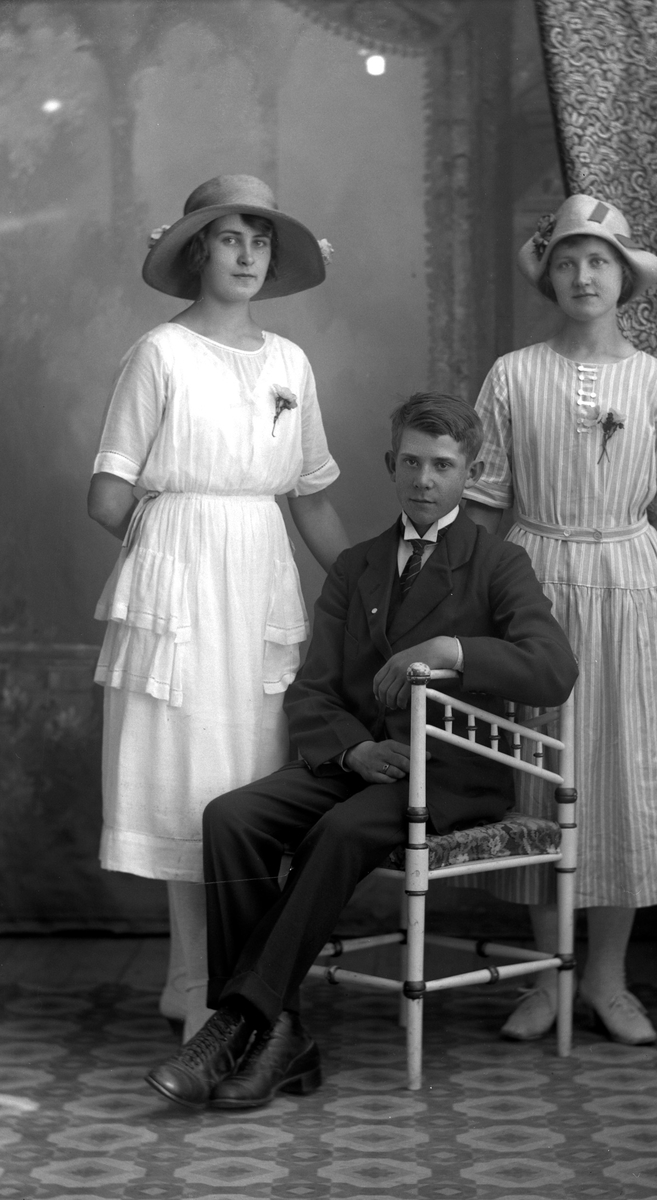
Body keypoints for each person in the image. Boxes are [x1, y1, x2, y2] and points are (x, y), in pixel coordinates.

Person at [142, 392, 578, 1111]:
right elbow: (313, 690)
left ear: (469, 473)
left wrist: (452, 649)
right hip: (362, 764)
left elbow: (554, 669)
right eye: (411, 462)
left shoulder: (498, 564)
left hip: (448, 773)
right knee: (230, 817)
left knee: (341, 830)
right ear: (389, 464)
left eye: (443, 465)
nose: (424, 480)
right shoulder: (356, 566)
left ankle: (234, 1027)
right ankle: (280, 1032)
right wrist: (353, 754)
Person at [87, 175, 349, 1041]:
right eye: (230, 238)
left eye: (259, 240)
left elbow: (311, 497)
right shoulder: (160, 353)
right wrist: (176, 544)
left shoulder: (289, 364)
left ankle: (223, 983)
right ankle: (193, 981)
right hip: (183, 587)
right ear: (198, 249)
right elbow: (107, 494)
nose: (246, 255)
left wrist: (368, 589)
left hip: (260, 582)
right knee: (187, 777)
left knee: (248, 780)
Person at [464, 194, 657, 1045]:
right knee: (541, 773)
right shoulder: (512, 375)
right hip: (533, 584)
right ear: (550, 277)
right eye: (567, 261)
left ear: (622, 278)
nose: (582, 276)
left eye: (598, 261)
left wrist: (629, 587)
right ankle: (547, 978)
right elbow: (485, 502)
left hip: (631, 591)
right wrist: (504, 598)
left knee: (619, 775)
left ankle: (607, 978)